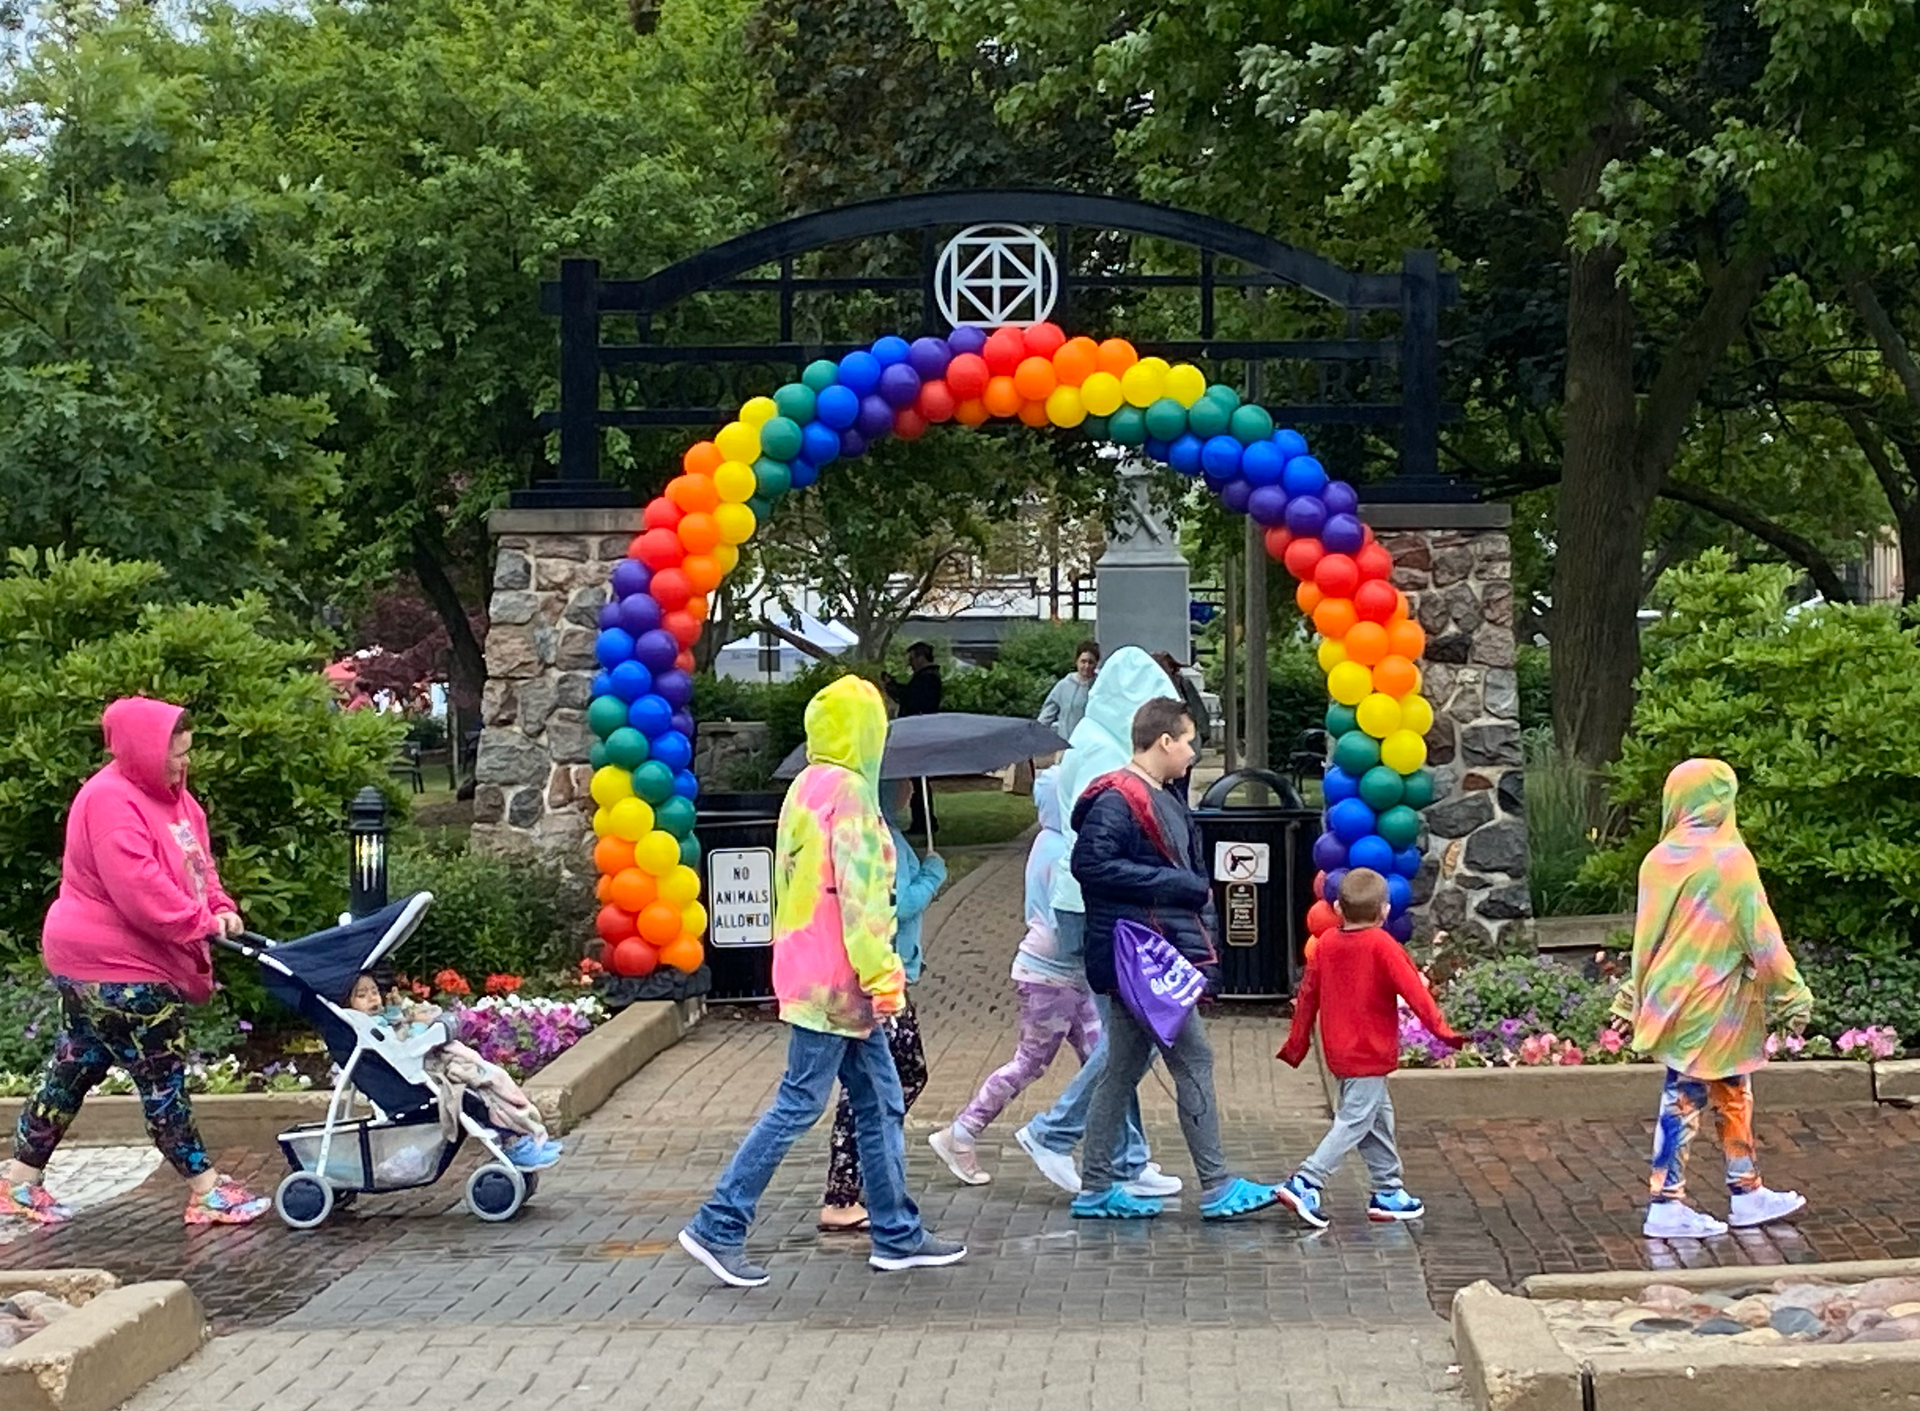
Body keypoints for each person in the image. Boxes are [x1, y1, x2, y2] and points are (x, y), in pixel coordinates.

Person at [679, 676, 965, 1286]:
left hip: (811, 974)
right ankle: (720, 1222)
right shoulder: (855, 796)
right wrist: (885, 979)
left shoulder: (805, 788)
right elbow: (863, 902)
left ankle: (896, 1232)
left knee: (880, 1101)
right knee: (800, 1102)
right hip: (843, 983)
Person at [1, 698, 271, 1227]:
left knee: (75, 1065)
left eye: (188, 753)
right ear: (144, 751)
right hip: (114, 964)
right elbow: (140, 890)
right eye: (176, 755)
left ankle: (18, 1181)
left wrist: (218, 906)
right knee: (161, 1075)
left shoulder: (177, 801)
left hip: (99, 961)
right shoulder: (109, 800)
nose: (183, 764)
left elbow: (198, 866)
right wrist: (200, 922)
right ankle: (206, 1190)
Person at [1069, 697, 1282, 1221]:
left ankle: (1096, 1187)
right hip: (1143, 959)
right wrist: (1178, 885)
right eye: (1188, 742)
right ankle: (1215, 1186)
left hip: (1140, 957)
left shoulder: (1146, 793)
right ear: (1164, 741)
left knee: (1120, 1068)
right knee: (1193, 1061)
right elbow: (1090, 866)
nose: (1192, 752)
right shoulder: (1121, 798)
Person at [1608, 758, 1813, 1240]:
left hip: (1675, 998)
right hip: (1717, 1002)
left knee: (1729, 1091)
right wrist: (1791, 992)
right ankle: (1665, 1201)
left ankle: (1746, 1191)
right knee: (1687, 1096)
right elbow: (1761, 937)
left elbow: (1647, 940)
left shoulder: (1658, 860)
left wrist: (1630, 997)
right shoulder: (1730, 861)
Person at [1011, 646, 1179, 1199]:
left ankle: (1127, 1156)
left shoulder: (1089, 739)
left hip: (1082, 900)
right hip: (1098, 905)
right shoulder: (1108, 755)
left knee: (1126, 1030)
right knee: (1136, 1031)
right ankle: (1054, 1131)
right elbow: (1114, 843)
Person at [928, 768, 1102, 1184]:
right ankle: (961, 1133)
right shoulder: (1060, 850)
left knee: (1105, 1060)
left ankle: (1123, 1154)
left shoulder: (1052, 842)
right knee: (1032, 1062)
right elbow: (1068, 920)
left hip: (1069, 975)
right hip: (1049, 975)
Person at [1274, 869, 1463, 1227]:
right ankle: (1306, 1180)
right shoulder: (1383, 946)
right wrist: (1444, 1032)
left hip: (1340, 1053)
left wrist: (1297, 1045)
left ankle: (1388, 1189)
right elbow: (1416, 995)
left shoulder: (1326, 944)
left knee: (1377, 1118)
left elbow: (1307, 997)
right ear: (1385, 910)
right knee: (1355, 1121)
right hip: (1370, 1052)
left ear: (1336, 908)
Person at [819, 779, 946, 1231]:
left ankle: (859, 1181)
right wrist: (933, 876)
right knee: (885, 1081)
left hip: (891, 974)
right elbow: (893, 904)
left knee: (889, 1079)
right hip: (878, 977)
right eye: (905, 786)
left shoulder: (885, 829)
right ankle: (845, 1190)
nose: (912, 792)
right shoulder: (878, 835)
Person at [344, 974, 560, 1172]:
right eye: (362, 995)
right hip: (412, 1081)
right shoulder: (366, 1028)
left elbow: (393, 1030)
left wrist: (394, 1011)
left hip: (420, 1070)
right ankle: (513, 1142)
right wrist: (419, 1027)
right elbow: (402, 1049)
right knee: (473, 1101)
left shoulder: (377, 1022)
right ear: (349, 1005)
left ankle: (525, 1133)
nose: (372, 998)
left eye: (374, 991)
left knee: (489, 1087)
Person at [884, 642, 943, 834]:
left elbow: (912, 699)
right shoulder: (928, 678)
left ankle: (924, 821)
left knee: (920, 779)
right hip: (924, 730)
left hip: (920, 731)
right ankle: (923, 820)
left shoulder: (927, 679)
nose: (911, 664)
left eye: (912, 659)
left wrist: (893, 687)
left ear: (920, 657)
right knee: (918, 780)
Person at [1038, 640, 1100, 741]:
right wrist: (1035, 734)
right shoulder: (1063, 686)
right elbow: (1046, 715)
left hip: (1092, 745)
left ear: (1096, 663)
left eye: (1091, 662)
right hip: (1067, 744)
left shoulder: (1100, 686)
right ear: (1076, 661)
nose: (1087, 666)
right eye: (1083, 661)